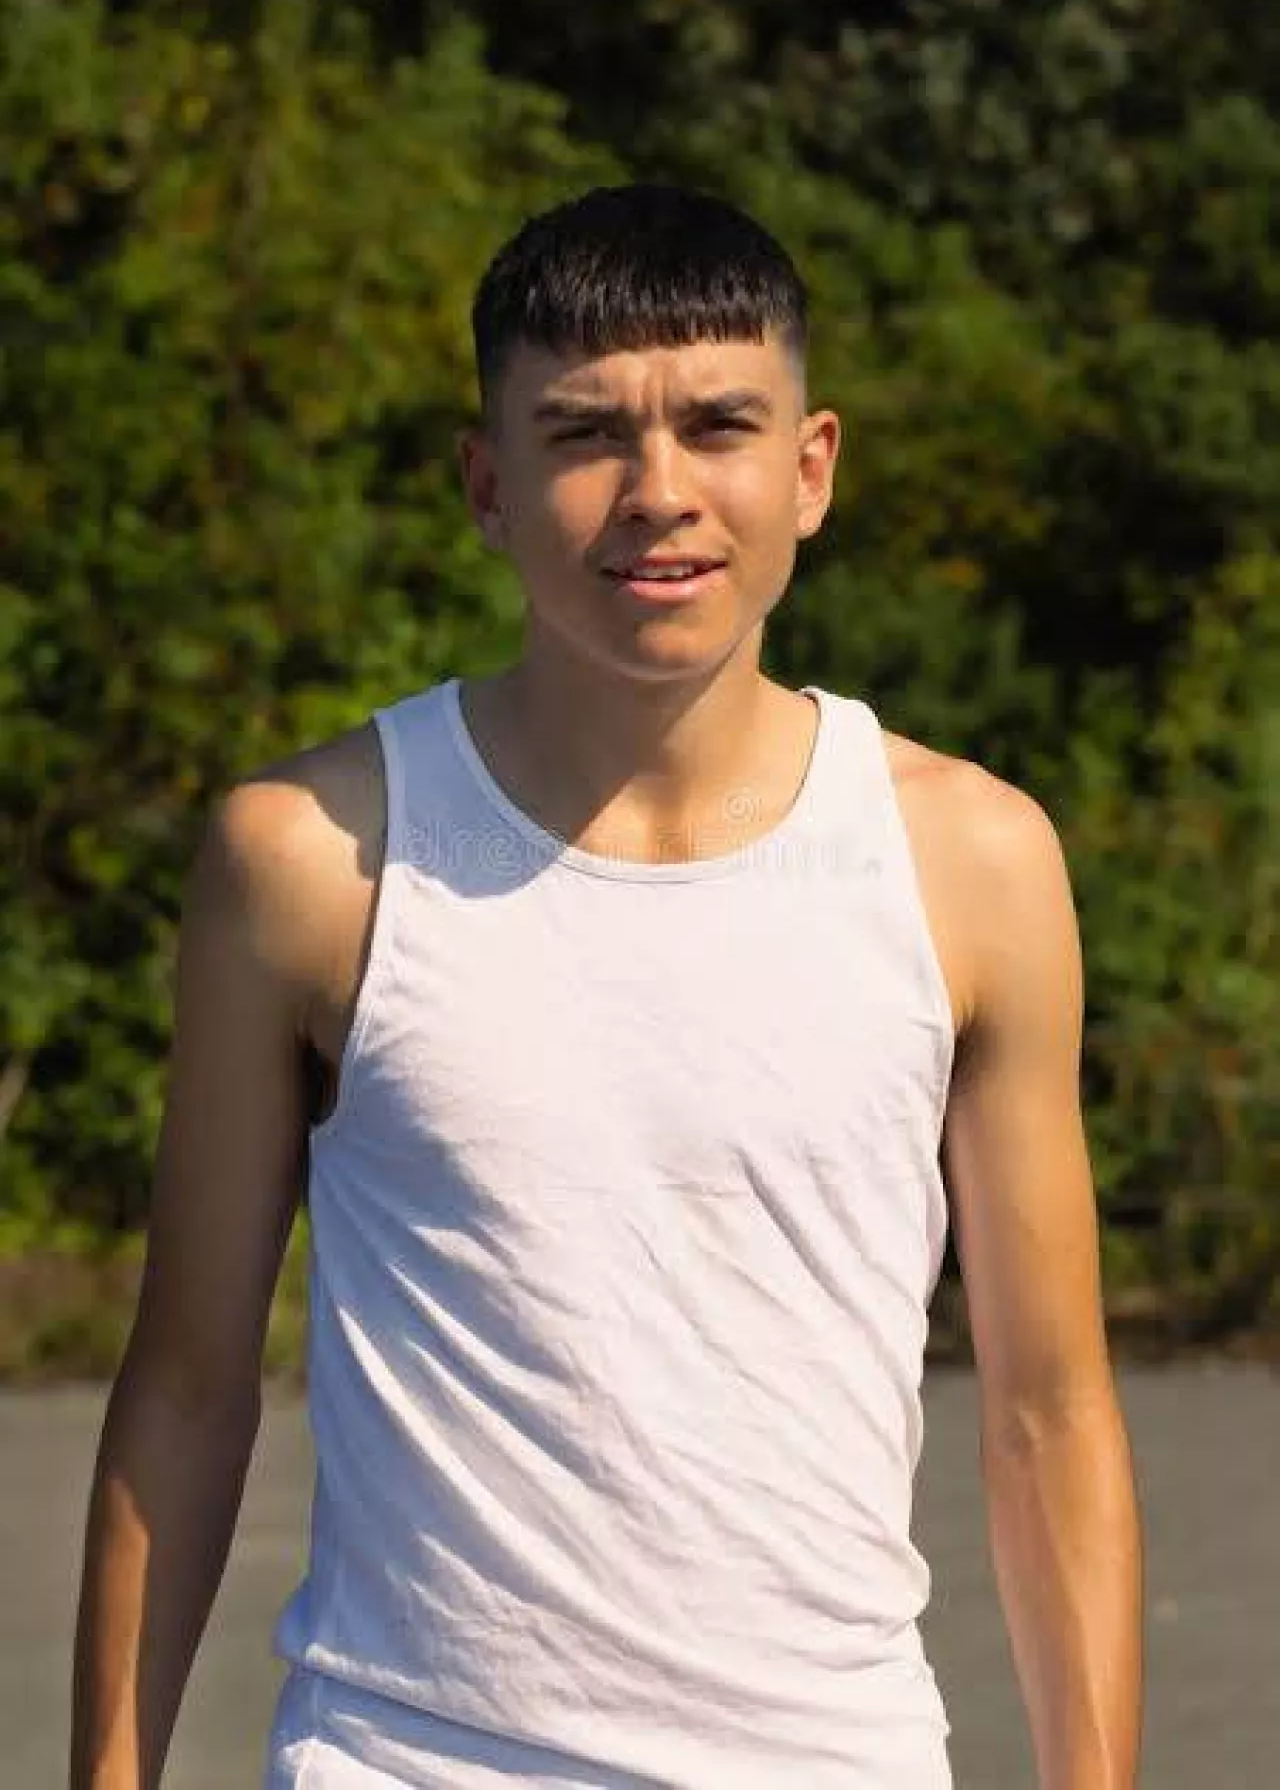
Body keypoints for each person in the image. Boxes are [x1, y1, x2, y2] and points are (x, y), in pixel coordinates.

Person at [71, 183, 1142, 1789]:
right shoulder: (312, 858)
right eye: (583, 435)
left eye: (719, 425)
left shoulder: (968, 862)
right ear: (487, 486)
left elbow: (1048, 1414)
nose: (659, 494)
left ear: (811, 467)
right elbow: (185, 1388)